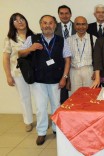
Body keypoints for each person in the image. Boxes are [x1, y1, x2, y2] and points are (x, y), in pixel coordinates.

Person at [19, 15, 71, 145]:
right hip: (38, 80)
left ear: (55, 25)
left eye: (50, 23)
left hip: (56, 79)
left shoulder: (62, 40)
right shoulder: (32, 38)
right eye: (44, 23)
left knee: (56, 106)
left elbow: (67, 59)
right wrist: (30, 48)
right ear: (40, 25)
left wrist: (64, 77)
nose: (47, 25)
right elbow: (20, 53)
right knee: (41, 108)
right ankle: (41, 132)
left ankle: (55, 128)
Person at [2, 13, 34, 132]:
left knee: (38, 96)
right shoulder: (10, 39)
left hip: (33, 72)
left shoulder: (33, 36)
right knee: (24, 97)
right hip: (18, 73)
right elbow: (5, 58)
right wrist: (8, 76)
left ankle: (42, 119)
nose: (20, 22)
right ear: (12, 24)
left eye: (22, 19)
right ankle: (28, 121)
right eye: (16, 21)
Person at [67, 16, 97, 94]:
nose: (81, 27)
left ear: (87, 26)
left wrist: (95, 72)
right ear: (74, 26)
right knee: (74, 96)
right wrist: (67, 78)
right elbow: (67, 60)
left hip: (89, 71)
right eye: (78, 24)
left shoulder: (93, 39)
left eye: (83, 24)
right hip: (74, 71)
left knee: (90, 96)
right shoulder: (68, 40)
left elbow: (97, 58)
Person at [55, 5, 75, 104]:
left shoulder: (79, 26)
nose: (64, 16)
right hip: (60, 65)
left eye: (67, 13)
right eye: (61, 13)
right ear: (58, 15)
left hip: (76, 64)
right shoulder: (53, 27)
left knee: (75, 93)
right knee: (62, 93)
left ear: (70, 14)